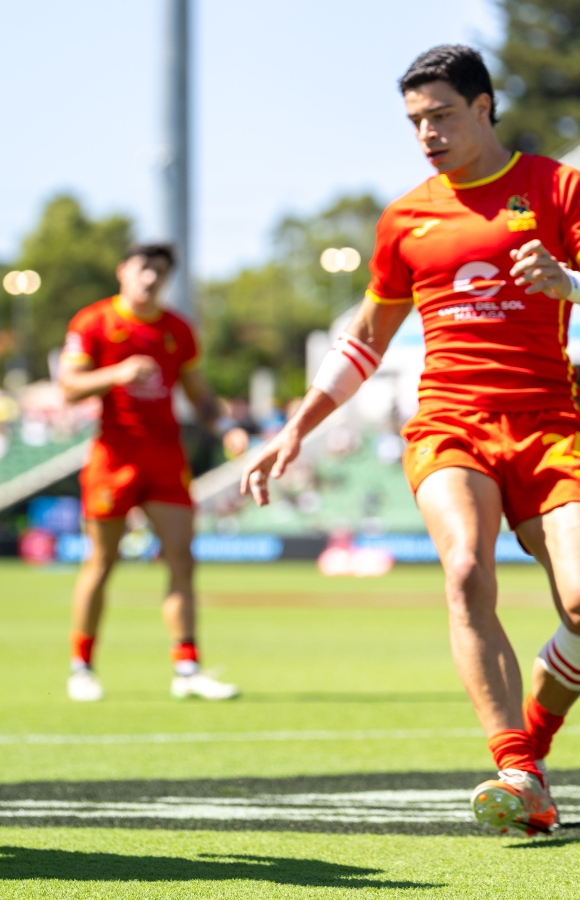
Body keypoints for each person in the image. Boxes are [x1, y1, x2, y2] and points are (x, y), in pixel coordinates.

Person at [242, 44, 580, 836]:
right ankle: (518, 770)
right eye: (414, 122)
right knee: (465, 569)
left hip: (551, 424)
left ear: (485, 106)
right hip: (450, 423)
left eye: (442, 116)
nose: (427, 133)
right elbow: (364, 339)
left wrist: (571, 285)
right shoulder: (406, 218)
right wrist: (295, 428)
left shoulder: (557, 187)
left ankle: (536, 731)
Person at [58, 243, 236, 703]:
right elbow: (68, 387)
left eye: (160, 271)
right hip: (112, 458)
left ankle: (187, 668)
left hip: (165, 458)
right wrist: (116, 374)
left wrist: (228, 427)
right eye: (143, 268)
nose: (151, 278)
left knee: (182, 560)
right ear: (123, 270)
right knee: (101, 562)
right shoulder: (93, 322)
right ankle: (82, 666)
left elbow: (199, 395)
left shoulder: (178, 329)